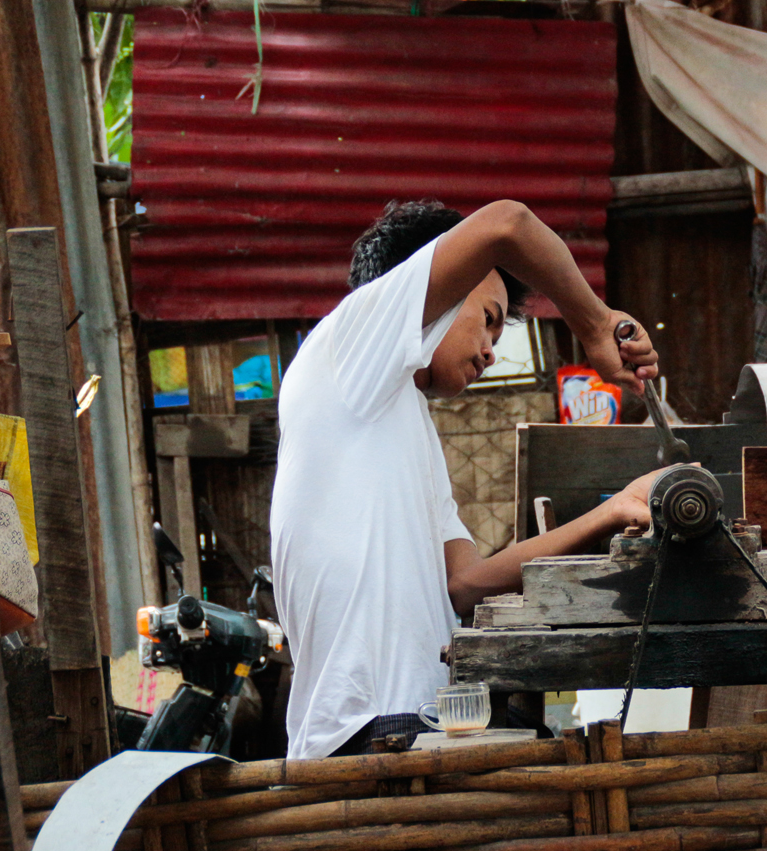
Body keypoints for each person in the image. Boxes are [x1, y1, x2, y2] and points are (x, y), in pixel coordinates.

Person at [271, 199, 664, 758]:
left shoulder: (403, 423)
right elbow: (508, 224)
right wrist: (597, 324)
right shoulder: (350, 343)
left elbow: (467, 583)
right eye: (488, 320)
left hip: (426, 725)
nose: (489, 352)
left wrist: (613, 510)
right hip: (365, 731)